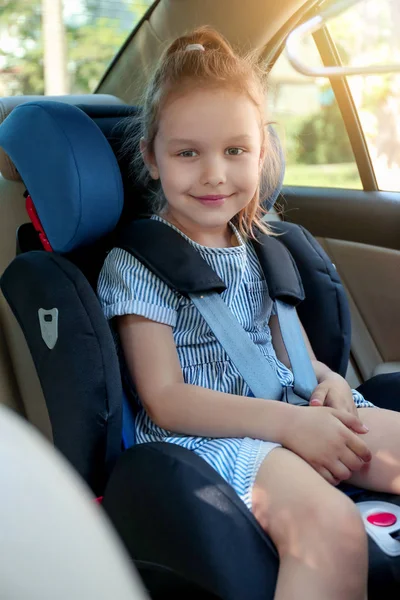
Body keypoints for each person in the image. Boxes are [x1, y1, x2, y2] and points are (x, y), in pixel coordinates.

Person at [98, 27, 400, 600]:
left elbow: (294, 355)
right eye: (188, 153)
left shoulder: (261, 244)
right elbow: (165, 398)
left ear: (262, 153)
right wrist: (289, 426)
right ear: (152, 158)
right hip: (211, 438)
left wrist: (329, 385)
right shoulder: (137, 264)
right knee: (329, 528)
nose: (214, 173)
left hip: (289, 407)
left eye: (235, 151)